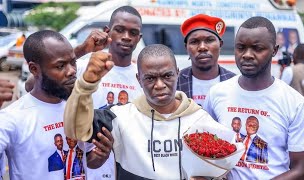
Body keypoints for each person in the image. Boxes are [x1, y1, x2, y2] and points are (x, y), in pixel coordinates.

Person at [63, 44, 232, 179]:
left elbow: (221, 168)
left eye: (167, 76)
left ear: (177, 74)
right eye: (150, 78)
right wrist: (85, 85)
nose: (159, 85)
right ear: (138, 79)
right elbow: (75, 130)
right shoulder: (120, 117)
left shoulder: (199, 118)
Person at [203, 16, 304, 179]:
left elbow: (302, 171)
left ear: (274, 50)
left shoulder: (295, 103)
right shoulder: (216, 93)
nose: (247, 55)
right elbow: (206, 147)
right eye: (241, 47)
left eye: (257, 48)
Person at [0, 30, 110, 180]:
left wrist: (101, 154)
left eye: (73, 62)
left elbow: (88, 159)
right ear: (34, 69)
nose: (71, 71)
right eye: (60, 66)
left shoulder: (79, 108)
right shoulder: (12, 118)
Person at [75, 6, 144, 179]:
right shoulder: (85, 65)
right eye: (119, 30)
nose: (126, 37)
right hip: (88, 168)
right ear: (107, 32)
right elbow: (34, 84)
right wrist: (83, 49)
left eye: (133, 32)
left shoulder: (143, 76)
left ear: (139, 38)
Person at [177, 14, 235, 106]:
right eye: (194, 42)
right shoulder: (175, 82)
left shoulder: (234, 82)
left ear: (220, 45)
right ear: (186, 48)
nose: (202, 47)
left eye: (209, 40)